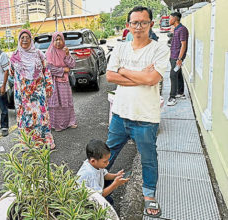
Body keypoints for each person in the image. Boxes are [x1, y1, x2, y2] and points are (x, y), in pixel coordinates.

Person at [105, 6, 169, 218]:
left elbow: (152, 79)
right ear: (128, 26)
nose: (139, 26)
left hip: (146, 118)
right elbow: (110, 77)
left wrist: (123, 70)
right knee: (107, 154)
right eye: (135, 23)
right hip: (120, 114)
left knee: (149, 158)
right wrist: (138, 76)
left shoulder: (160, 49)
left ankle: (149, 194)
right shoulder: (121, 48)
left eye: (143, 22)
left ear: (151, 24)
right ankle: (98, 187)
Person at [10, 29, 55, 149]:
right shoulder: (14, 56)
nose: (25, 40)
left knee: (40, 116)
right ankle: (28, 143)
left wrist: (49, 85)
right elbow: (11, 72)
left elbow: (46, 70)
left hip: (38, 93)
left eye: (27, 37)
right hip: (22, 95)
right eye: (22, 37)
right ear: (19, 40)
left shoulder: (39, 54)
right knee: (25, 118)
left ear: (31, 40)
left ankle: (44, 141)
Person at [76, 139, 129, 205]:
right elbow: (99, 196)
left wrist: (116, 175)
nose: (108, 163)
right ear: (93, 161)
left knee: (112, 181)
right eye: (105, 161)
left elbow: (105, 174)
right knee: (109, 201)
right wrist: (115, 185)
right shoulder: (91, 174)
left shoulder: (95, 164)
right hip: (88, 199)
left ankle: (107, 191)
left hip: (95, 189)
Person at [46, 32, 77, 132]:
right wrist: (64, 70)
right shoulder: (49, 52)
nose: (58, 42)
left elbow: (72, 65)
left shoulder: (65, 50)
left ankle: (69, 122)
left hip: (64, 81)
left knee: (66, 101)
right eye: (56, 40)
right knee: (56, 103)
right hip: (54, 82)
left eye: (60, 39)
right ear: (53, 41)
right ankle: (57, 125)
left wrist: (67, 54)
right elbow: (49, 68)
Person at [167, 12, 189, 106]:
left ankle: (172, 97)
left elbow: (183, 45)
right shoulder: (176, 29)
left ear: (175, 19)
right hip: (173, 55)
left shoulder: (182, 29)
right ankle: (180, 93)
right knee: (178, 74)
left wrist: (179, 58)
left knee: (173, 75)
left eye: (170, 18)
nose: (169, 20)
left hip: (177, 57)